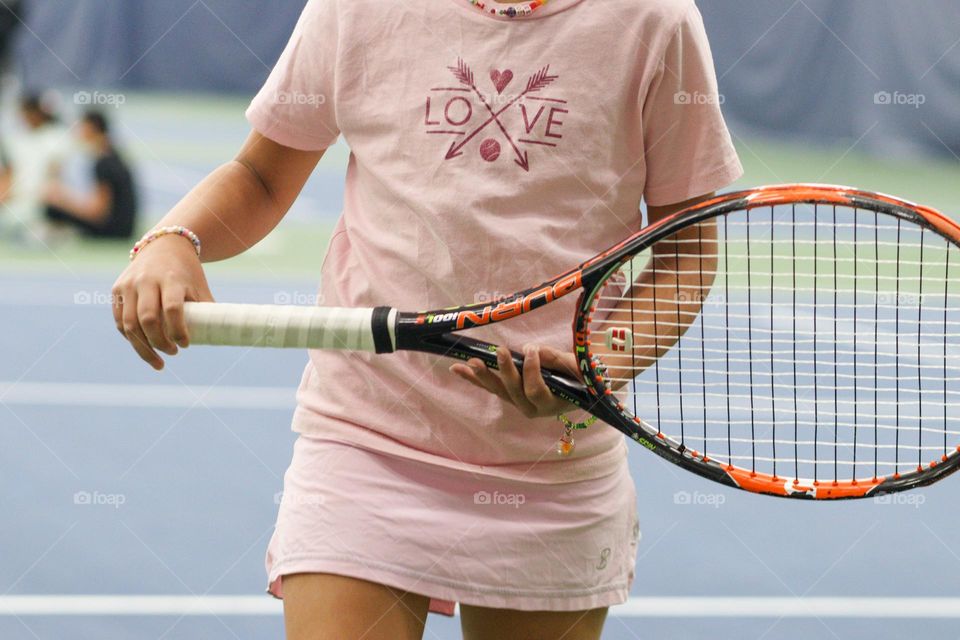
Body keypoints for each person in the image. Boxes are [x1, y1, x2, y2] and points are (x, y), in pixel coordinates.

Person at [111, 1, 742, 638]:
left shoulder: (656, 19)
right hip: (365, 443)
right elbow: (260, 176)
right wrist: (173, 237)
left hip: (552, 468)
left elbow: (686, 253)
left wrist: (596, 360)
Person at [43, 109, 138, 239]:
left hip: (114, 231)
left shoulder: (104, 162)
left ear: (91, 128)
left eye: (81, 128)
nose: (77, 133)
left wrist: (62, 199)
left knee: (52, 208)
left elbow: (98, 212)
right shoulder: (113, 155)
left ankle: (54, 235)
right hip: (123, 228)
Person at [0, 93, 69, 240]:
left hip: (41, 205)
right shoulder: (17, 140)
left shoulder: (56, 137)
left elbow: (56, 177)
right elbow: (8, 176)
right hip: (17, 203)